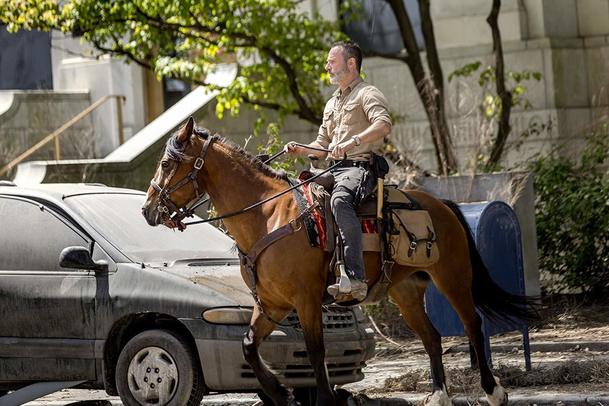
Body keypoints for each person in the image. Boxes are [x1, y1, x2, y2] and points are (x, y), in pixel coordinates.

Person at [284, 41, 392, 300]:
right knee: (297, 192)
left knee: (341, 200)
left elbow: (383, 125)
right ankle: (325, 268)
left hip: (360, 168)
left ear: (351, 64)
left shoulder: (368, 93)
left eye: (332, 62)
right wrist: (299, 148)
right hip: (335, 169)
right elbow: (322, 145)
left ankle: (356, 278)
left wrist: (352, 142)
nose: (327, 67)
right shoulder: (332, 102)